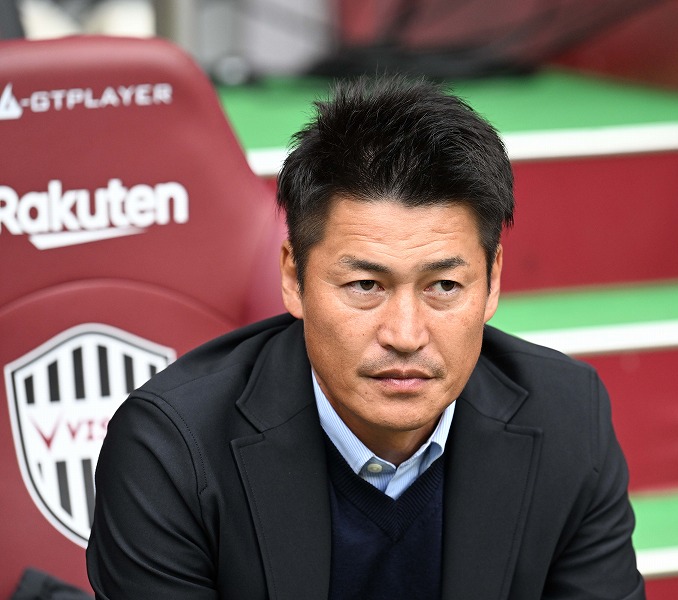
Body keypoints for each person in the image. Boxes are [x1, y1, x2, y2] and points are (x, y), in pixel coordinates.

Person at [86, 76, 645, 599]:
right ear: (294, 277)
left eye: (444, 286)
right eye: (365, 285)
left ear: (493, 280)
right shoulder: (173, 450)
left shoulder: (568, 418)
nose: (405, 335)